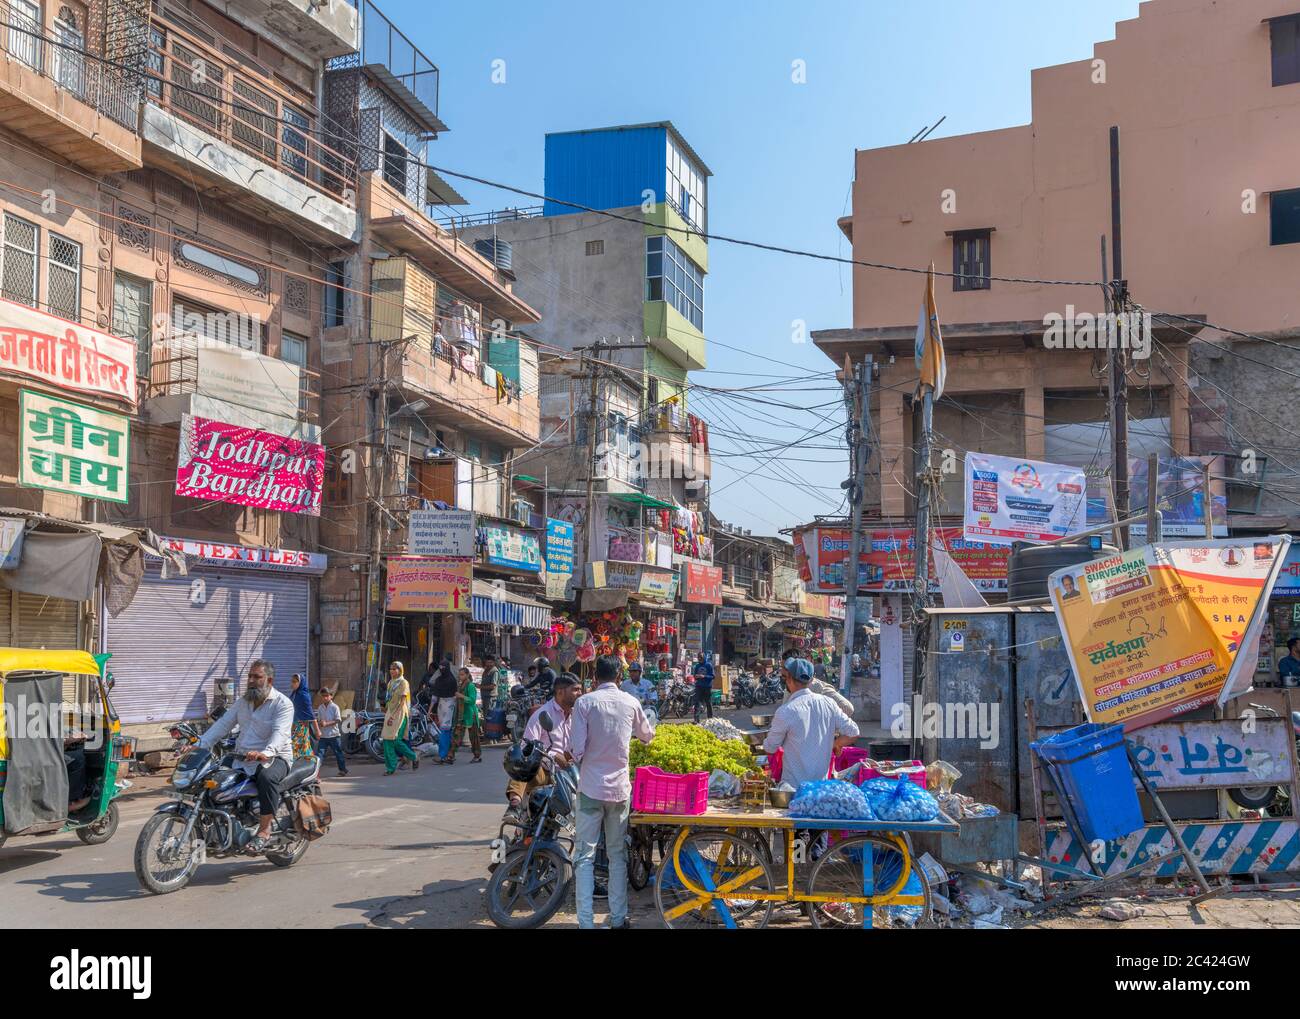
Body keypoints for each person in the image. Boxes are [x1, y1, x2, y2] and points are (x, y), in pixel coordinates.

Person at [570, 655, 655, 930]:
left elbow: (576, 750)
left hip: (590, 789)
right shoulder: (630, 702)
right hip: (619, 791)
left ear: (595, 677)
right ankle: (618, 920)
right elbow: (647, 735)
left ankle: (586, 923)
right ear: (620, 677)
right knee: (617, 856)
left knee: (584, 857)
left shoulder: (584, 703)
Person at [198, 659, 294, 852]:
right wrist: (199, 745)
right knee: (212, 777)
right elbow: (222, 725)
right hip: (242, 757)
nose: (251, 680)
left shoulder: (283, 704)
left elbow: (279, 734)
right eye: (250, 676)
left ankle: (264, 830)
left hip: (275, 757)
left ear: (269, 680)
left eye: (257, 677)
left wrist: (265, 753)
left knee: (266, 778)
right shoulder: (242, 703)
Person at [764, 657, 859, 790]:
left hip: (794, 790)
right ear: (810, 680)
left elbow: (770, 747)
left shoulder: (786, 710)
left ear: (789, 679)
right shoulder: (829, 703)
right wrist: (835, 744)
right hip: (820, 790)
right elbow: (853, 732)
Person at [505, 672, 580, 819]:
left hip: (570, 774)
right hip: (545, 771)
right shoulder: (542, 714)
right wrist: (553, 756)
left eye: (580, 689)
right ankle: (514, 805)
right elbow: (527, 748)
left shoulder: (578, 715)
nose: (580, 693)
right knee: (524, 765)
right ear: (560, 692)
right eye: (575, 689)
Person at [381, 662, 419, 775]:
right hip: (390, 712)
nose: (392, 671)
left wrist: (393, 715)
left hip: (400, 713)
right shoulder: (390, 683)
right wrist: (386, 709)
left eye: (394, 669)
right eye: (391, 669)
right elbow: (389, 699)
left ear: (400, 670)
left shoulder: (403, 683)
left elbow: (402, 701)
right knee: (386, 740)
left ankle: (413, 757)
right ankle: (390, 768)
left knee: (396, 740)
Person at [447, 667, 483, 764]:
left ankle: (477, 756)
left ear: (467, 675)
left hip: (471, 715)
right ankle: (450, 756)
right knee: (457, 736)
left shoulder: (470, 686)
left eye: (462, 674)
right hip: (461, 715)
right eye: (460, 674)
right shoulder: (461, 685)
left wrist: (461, 696)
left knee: (474, 738)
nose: (460, 676)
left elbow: (472, 700)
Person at [429, 654, 459, 761]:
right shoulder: (452, 680)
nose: (441, 670)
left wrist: (430, 710)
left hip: (445, 705)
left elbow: (434, 696)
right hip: (448, 705)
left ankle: (443, 755)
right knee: (446, 729)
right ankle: (449, 753)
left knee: (444, 729)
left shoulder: (439, 680)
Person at [315, 686, 348, 776]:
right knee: (319, 755)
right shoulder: (320, 707)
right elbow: (318, 720)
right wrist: (320, 724)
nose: (325, 698)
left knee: (338, 753)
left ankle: (343, 770)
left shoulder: (334, 707)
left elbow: (338, 720)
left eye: (326, 696)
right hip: (323, 736)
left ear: (331, 696)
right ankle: (315, 773)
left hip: (334, 735)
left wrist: (327, 723)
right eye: (323, 696)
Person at [289, 673, 318, 760]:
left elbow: (310, 713)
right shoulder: (295, 694)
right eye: (292, 681)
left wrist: (317, 730)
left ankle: (310, 764)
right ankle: (310, 765)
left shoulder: (304, 695)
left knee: (294, 747)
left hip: (301, 727)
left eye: (294, 682)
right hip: (293, 726)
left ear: (300, 683)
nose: (292, 684)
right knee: (302, 748)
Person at [691, 652, 715, 722]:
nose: (700, 659)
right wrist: (696, 676)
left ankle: (710, 718)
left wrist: (704, 676)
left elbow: (713, 676)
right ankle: (696, 719)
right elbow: (694, 675)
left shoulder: (709, 665)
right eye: (699, 658)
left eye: (701, 657)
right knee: (697, 703)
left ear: (704, 657)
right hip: (699, 686)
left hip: (707, 687)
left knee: (708, 702)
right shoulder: (697, 666)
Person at [479, 654, 501, 727]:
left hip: (490, 697)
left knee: (489, 715)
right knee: (486, 715)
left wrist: (480, 686)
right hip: (485, 696)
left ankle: (490, 733)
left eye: (490, 662)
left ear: (493, 662)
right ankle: (487, 732)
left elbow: (493, 686)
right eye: (487, 662)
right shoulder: (486, 670)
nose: (488, 664)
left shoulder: (494, 671)